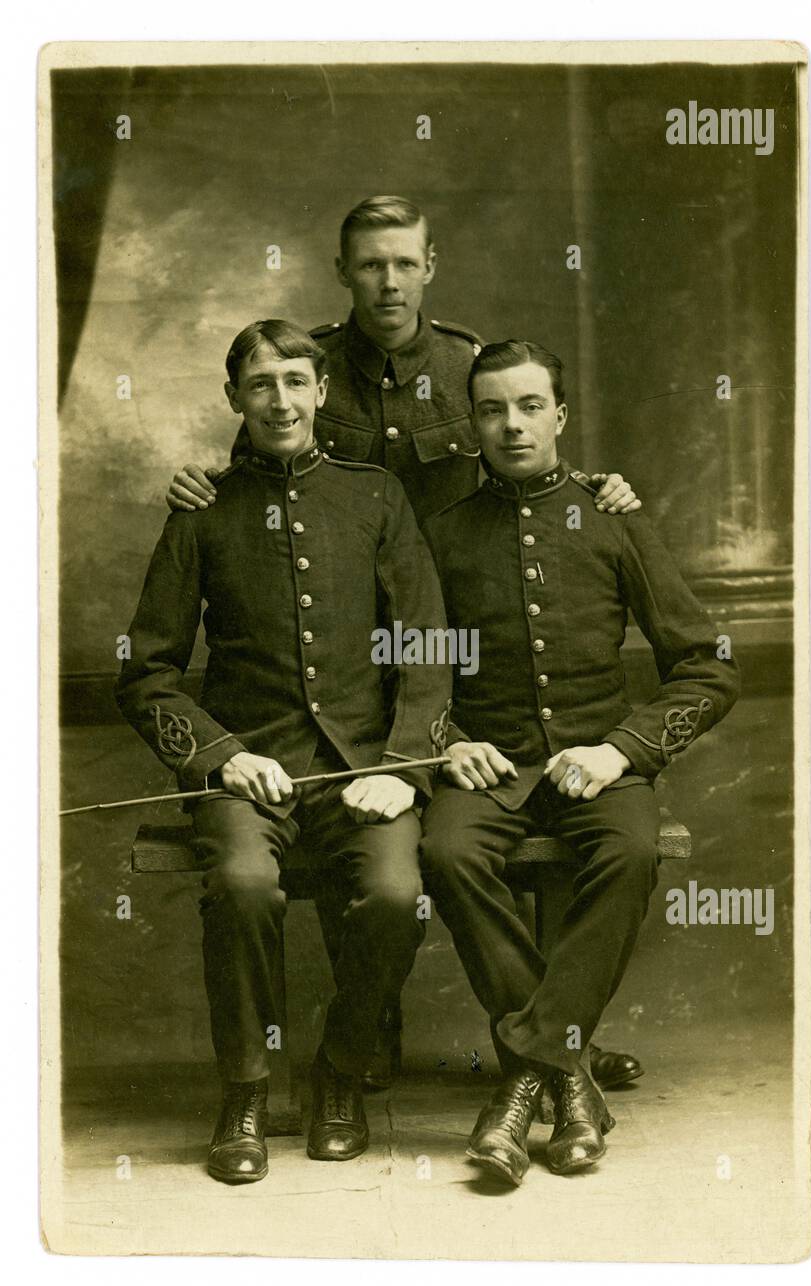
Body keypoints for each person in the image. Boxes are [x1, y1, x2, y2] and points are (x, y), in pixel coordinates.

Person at [162, 194, 644, 1092]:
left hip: (460, 624)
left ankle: (546, 1040)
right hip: (338, 644)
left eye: (403, 262)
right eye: (369, 263)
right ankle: (377, 1039)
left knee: (440, 848)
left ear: (430, 266)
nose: (387, 280)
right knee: (396, 858)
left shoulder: (465, 362)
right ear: (343, 271)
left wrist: (596, 490)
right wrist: (198, 484)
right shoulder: (302, 363)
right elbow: (260, 489)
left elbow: (524, 445)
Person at [116, 320, 450, 1184]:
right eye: (260, 384)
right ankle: (246, 1089)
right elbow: (145, 673)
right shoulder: (202, 510)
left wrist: (402, 766)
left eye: (296, 381)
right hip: (246, 776)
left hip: (362, 769)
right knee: (240, 883)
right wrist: (222, 757)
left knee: (392, 892)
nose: (280, 400)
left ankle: (338, 1071)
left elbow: (425, 644)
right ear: (235, 399)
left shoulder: (375, 496)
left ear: (323, 392)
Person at [418, 340, 741, 1186]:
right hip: (487, 770)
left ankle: (524, 1080)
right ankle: (570, 1080)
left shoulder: (612, 516)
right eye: (492, 409)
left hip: (600, 765)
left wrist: (619, 750)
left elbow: (707, 662)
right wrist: (448, 740)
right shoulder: (441, 533)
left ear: (559, 415)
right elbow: (402, 663)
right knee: (446, 852)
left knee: (631, 851)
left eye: (530, 406)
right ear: (473, 423)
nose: (512, 425)